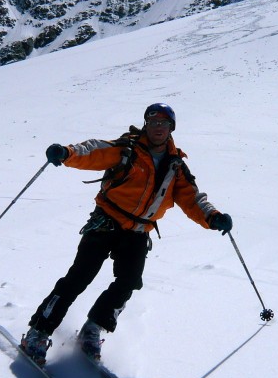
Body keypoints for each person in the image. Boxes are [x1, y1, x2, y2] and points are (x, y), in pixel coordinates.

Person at [20, 103, 233, 364]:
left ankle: (93, 328)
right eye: (153, 122)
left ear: (171, 128)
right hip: (106, 221)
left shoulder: (175, 166)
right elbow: (93, 151)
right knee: (79, 277)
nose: (158, 127)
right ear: (146, 124)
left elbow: (192, 198)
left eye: (164, 123)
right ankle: (38, 332)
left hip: (138, 231)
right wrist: (67, 153)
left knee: (128, 282)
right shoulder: (127, 149)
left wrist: (213, 217)